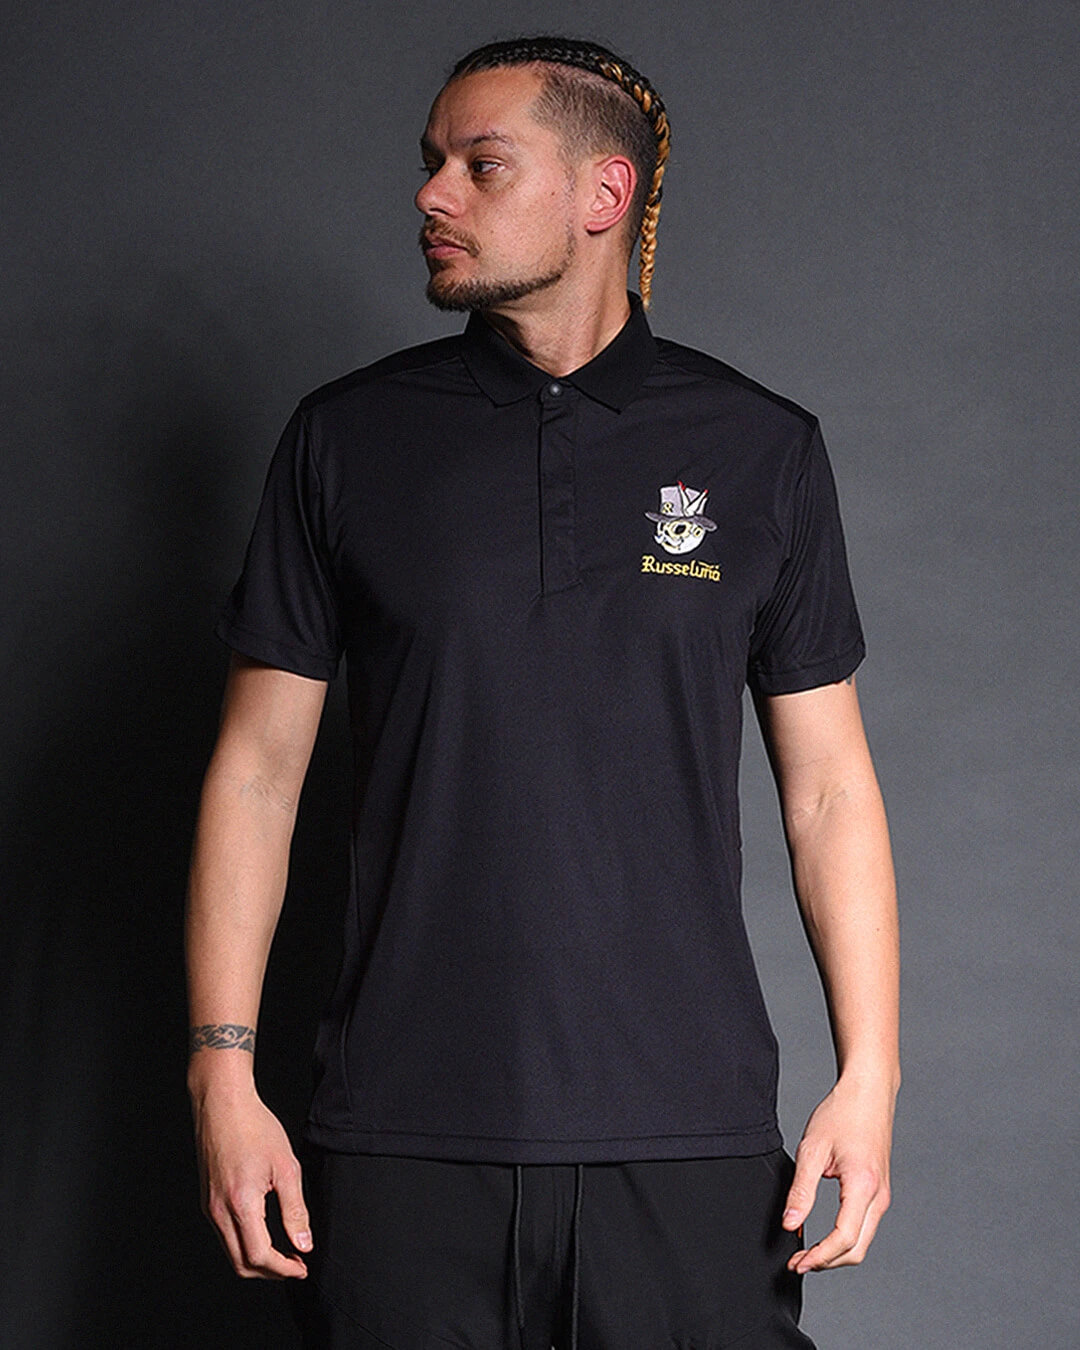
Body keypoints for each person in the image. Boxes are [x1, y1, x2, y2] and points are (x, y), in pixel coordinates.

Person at [185, 33, 900, 1350]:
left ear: (603, 193)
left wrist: (873, 1075)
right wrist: (221, 1070)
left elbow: (829, 792)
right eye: (430, 163)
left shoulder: (763, 449)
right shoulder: (343, 440)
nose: (430, 194)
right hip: (402, 1140)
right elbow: (257, 774)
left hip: (687, 1144)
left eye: (481, 164)